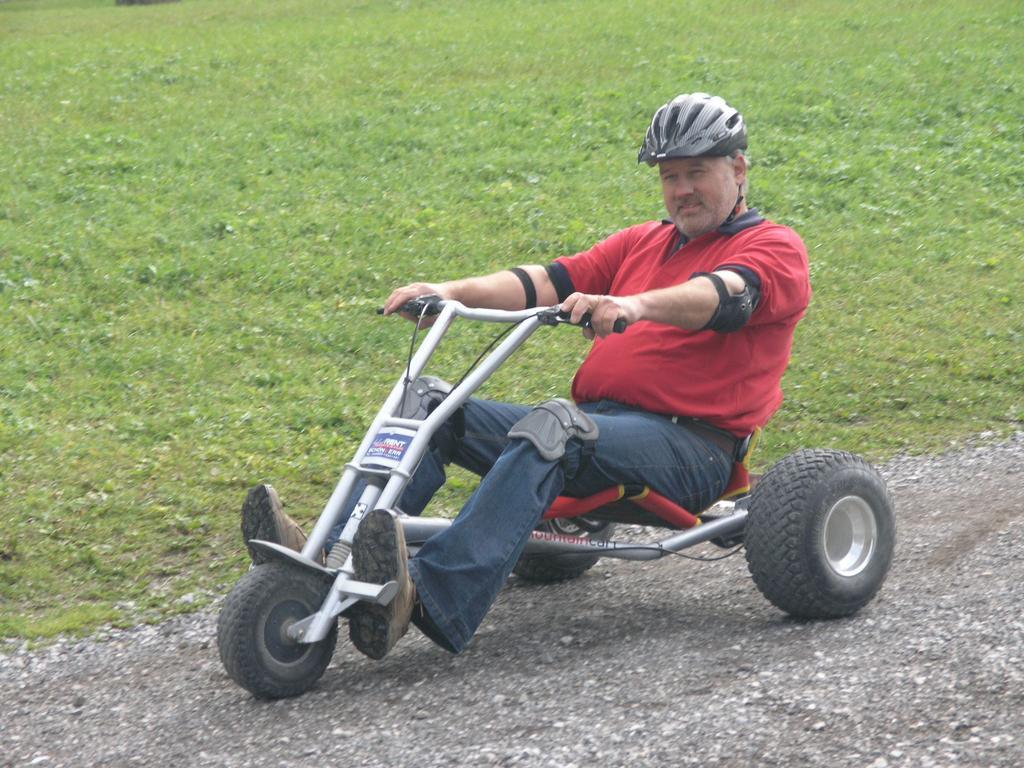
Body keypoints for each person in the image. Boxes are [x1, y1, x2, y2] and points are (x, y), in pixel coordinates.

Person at [241, 92, 811, 660]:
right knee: (433, 405)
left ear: (738, 168)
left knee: (555, 426)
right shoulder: (644, 241)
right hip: (603, 432)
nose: (682, 189)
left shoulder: (774, 248)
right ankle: (327, 555)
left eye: (697, 172)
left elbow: (722, 295)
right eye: (670, 176)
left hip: (692, 450)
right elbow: (545, 280)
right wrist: (449, 293)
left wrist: (635, 306)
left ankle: (434, 594)